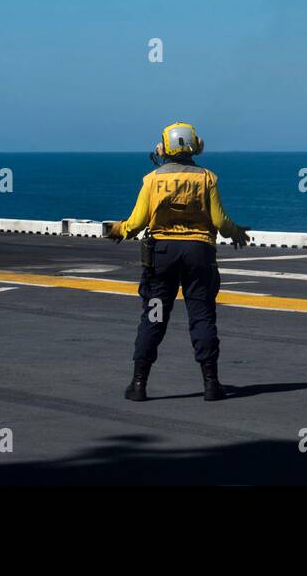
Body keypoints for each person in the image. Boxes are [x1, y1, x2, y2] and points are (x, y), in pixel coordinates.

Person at [106, 122, 248, 402]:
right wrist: (236, 233)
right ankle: (211, 384)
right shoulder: (207, 178)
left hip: (162, 255)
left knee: (154, 316)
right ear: (195, 145)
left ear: (164, 148)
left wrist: (119, 231)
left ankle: (138, 384)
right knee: (202, 316)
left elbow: (136, 222)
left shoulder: (152, 180)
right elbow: (220, 221)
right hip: (199, 254)